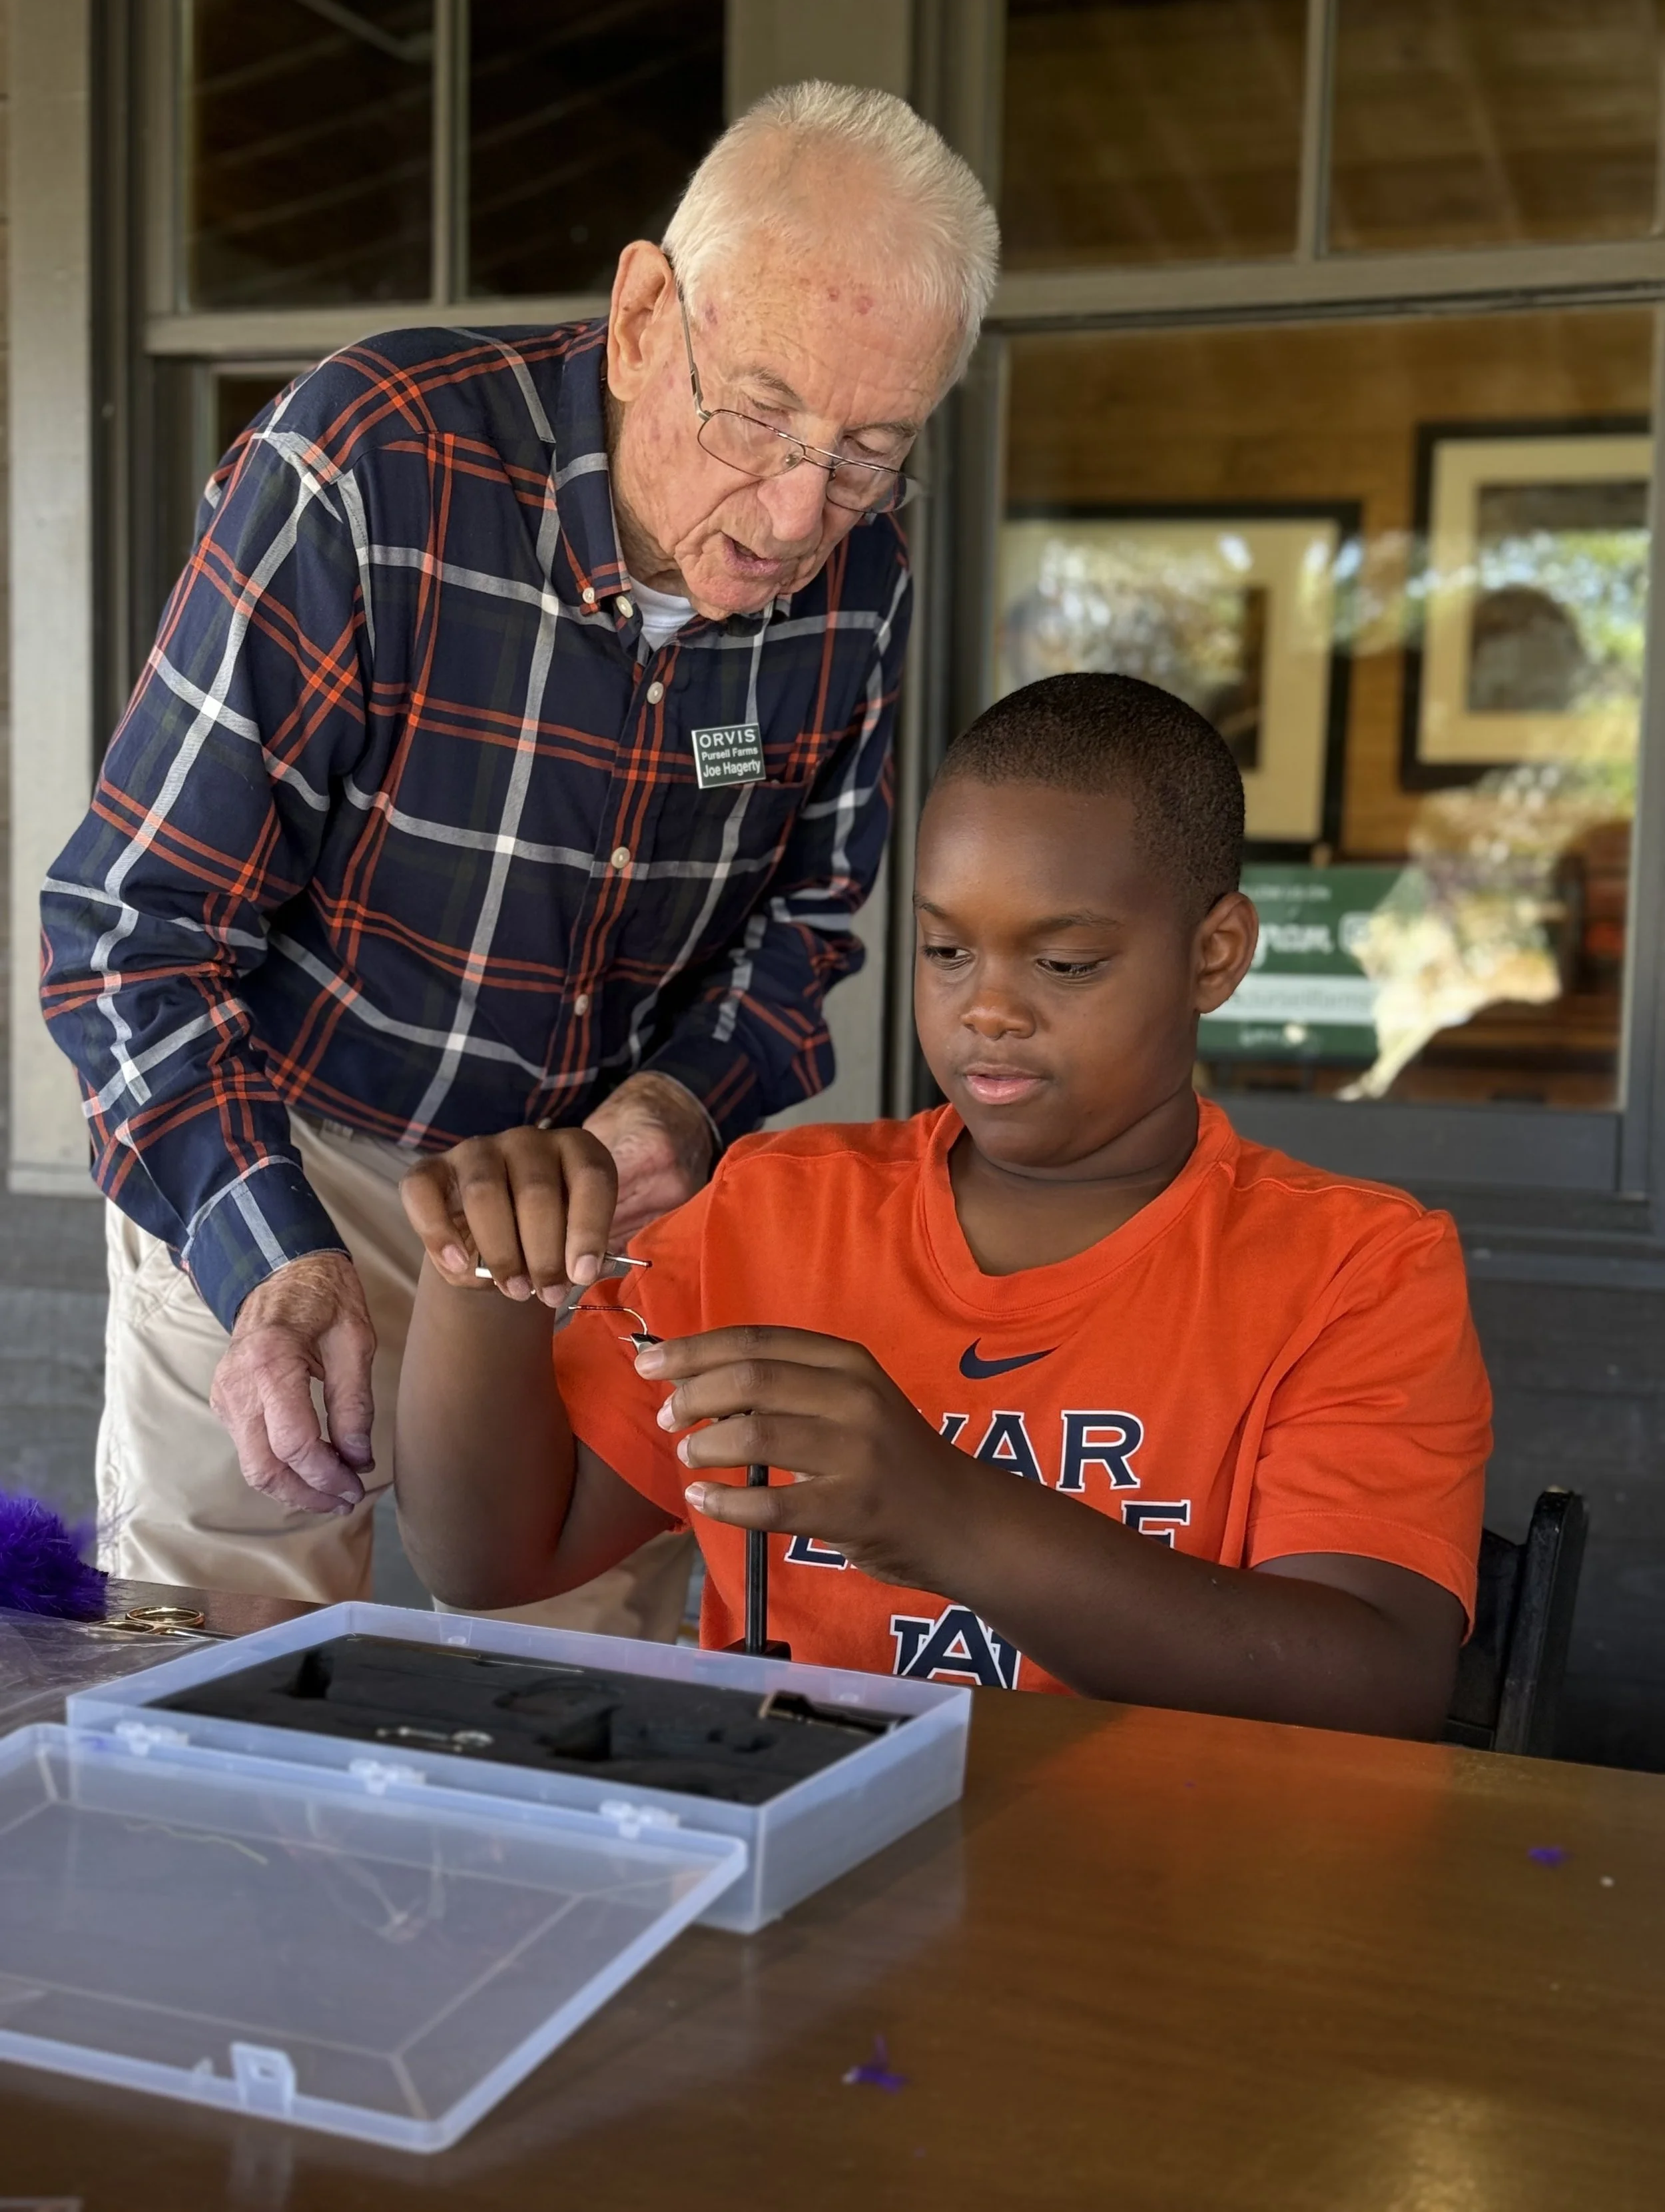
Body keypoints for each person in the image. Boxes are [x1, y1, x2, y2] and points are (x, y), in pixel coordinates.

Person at [39, 83, 999, 1624]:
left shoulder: (856, 570)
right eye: (756, 415)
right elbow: (130, 932)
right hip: (297, 1155)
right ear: (638, 319)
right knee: (207, 1690)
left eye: (871, 451)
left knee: (589, 1717)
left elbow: (805, 927)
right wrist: (270, 1261)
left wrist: (679, 1109)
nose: (802, 511)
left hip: (591, 1215)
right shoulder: (368, 465)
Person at [392, 672, 1491, 1734]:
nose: (990, 1009)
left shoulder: (1356, 1265)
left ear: (1214, 956)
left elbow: (1379, 1682)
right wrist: (486, 1277)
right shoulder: (772, 1213)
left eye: (1064, 964)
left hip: (1168, 1885)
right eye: (946, 950)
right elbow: (495, 1560)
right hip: (809, 1857)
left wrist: (946, 1516)